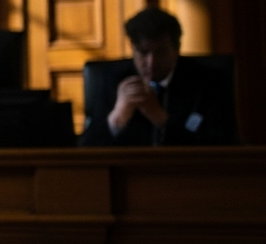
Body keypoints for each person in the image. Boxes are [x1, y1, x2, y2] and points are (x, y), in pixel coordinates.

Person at [79, 8, 238, 146]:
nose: (151, 62)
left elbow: (221, 145)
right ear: (132, 49)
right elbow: (86, 148)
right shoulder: (112, 78)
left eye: (160, 52)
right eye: (143, 52)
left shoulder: (207, 81)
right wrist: (117, 116)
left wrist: (161, 118)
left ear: (176, 49)